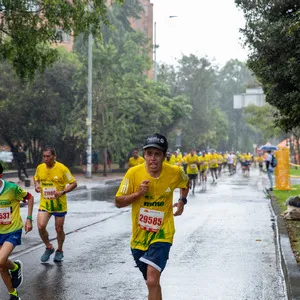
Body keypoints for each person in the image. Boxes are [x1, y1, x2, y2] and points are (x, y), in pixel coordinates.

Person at [115, 133, 189, 300]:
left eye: (157, 154)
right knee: (152, 281)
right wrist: (138, 194)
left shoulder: (175, 172)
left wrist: (182, 201)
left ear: (164, 156)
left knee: (152, 280)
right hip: (139, 237)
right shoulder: (133, 173)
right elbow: (118, 202)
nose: (153, 159)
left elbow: (185, 183)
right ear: (144, 155)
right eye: (149, 154)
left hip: (163, 233)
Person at [34, 146, 77, 263]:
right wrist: (37, 186)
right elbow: (36, 178)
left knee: (59, 229)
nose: (45, 159)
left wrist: (62, 192)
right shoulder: (40, 167)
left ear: (54, 157)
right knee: (41, 226)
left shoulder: (62, 169)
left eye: (48, 156)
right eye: (44, 156)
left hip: (59, 204)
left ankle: (59, 250)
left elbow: (73, 183)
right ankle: (48, 247)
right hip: (45, 204)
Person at [0, 163, 34, 300]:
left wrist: (29, 219)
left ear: (0, 175)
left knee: (0, 260)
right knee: (1, 266)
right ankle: (13, 294)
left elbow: (30, 197)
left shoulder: (12, 189)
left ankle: (14, 267)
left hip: (12, 230)